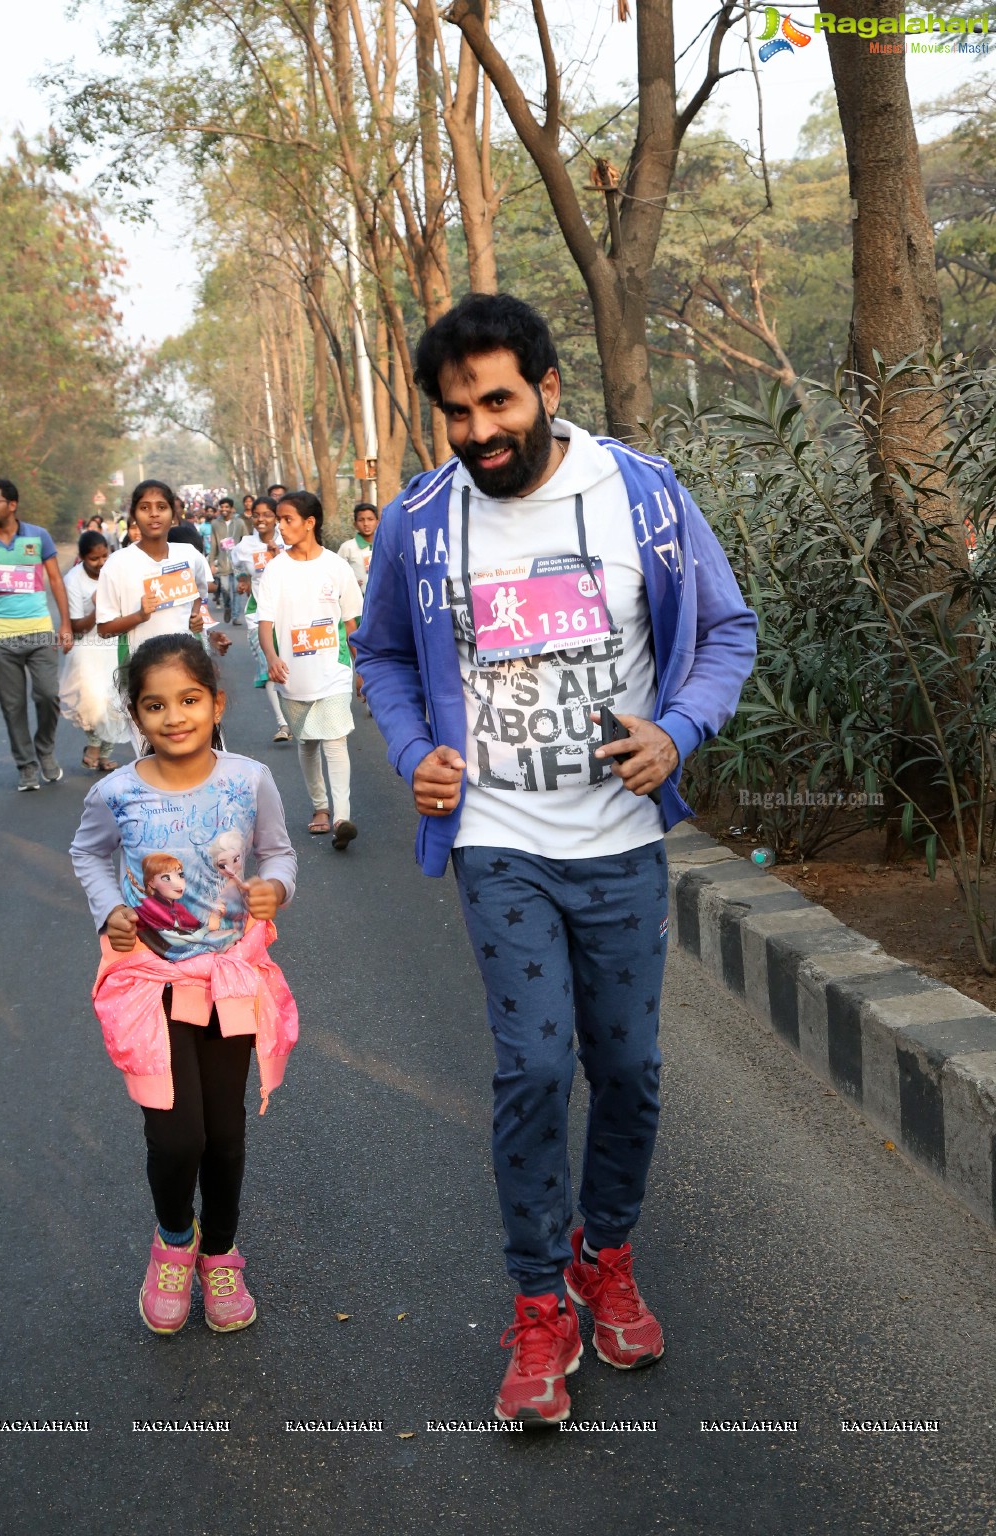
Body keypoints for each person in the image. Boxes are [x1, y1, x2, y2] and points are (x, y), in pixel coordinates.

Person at [354, 293, 758, 1426]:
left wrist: (677, 730)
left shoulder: (643, 497)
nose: (479, 430)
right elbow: (380, 653)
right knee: (533, 1068)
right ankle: (538, 1302)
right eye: (456, 411)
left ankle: (605, 1257)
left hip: (621, 842)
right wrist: (413, 748)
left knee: (626, 1070)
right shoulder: (421, 524)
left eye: (498, 401)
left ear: (546, 388)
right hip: (500, 840)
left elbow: (727, 630)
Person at [69, 634, 299, 1334]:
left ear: (217, 703)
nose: (175, 717)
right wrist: (110, 908)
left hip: (229, 981)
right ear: (136, 717)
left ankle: (221, 1252)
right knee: (176, 1138)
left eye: (190, 700)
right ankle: (175, 1241)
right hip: (153, 983)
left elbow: (280, 851)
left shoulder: (248, 779)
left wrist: (275, 890)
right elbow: (89, 854)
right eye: (155, 705)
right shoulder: (116, 792)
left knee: (224, 1135)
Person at [257, 490, 363, 849]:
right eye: (278, 519)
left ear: (309, 523)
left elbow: (352, 623)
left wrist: (362, 667)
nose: (280, 526)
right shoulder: (275, 570)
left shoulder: (336, 566)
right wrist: (272, 658)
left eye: (287, 519)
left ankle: (342, 817)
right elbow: (265, 622)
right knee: (307, 742)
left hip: (334, 670)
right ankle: (320, 806)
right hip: (293, 676)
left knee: (335, 740)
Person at [0, 477, 73, 790]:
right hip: (1, 637)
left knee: (47, 695)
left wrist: (65, 624)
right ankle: (26, 766)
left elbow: (56, 580)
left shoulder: (38, 536)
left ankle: (45, 750)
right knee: (12, 706)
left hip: (40, 632)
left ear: (11, 505)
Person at [94, 481, 229, 676]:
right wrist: (139, 616)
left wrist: (196, 619)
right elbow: (104, 629)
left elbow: (199, 594)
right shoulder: (117, 564)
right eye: (144, 508)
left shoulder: (189, 555)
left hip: (188, 665)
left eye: (162, 507)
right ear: (134, 514)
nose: (154, 514)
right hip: (142, 672)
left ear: (173, 515)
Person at [59, 529, 129, 771]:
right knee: (93, 701)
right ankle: (93, 744)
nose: (101, 563)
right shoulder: (73, 580)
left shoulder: (115, 572)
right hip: (87, 645)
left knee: (116, 702)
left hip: (114, 642)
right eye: (94, 559)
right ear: (81, 557)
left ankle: (103, 753)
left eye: (105, 556)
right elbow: (77, 626)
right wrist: (96, 607)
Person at [230, 496, 291, 743]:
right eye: (256, 515)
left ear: (276, 517)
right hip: (258, 614)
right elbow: (238, 567)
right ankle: (283, 724)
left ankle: (297, 713)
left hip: (288, 612)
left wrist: (278, 557)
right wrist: (244, 580)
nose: (261, 519)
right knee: (269, 666)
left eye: (267, 514)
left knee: (290, 663)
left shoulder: (287, 541)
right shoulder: (245, 545)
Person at [209, 497, 248, 624]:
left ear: (232, 509)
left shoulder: (240, 523)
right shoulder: (215, 524)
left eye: (227, 507)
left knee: (237, 590)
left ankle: (235, 617)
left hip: (238, 563)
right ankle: (227, 606)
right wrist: (211, 563)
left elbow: (246, 540)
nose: (224, 509)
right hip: (223, 562)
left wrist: (245, 559)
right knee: (225, 589)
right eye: (222, 507)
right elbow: (213, 544)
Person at [337, 502, 379, 594]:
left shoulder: (384, 546)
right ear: (355, 524)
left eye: (370, 519)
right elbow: (337, 574)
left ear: (377, 522)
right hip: (357, 600)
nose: (366, 524)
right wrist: (350, 583)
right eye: (361, 520)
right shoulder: (347, 548)